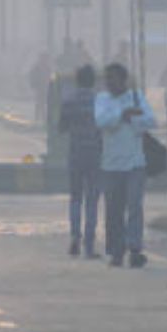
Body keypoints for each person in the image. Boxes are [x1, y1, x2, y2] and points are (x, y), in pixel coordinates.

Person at [95, 63, 157, 268]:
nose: (108, 83)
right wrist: (123, 115)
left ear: (123, 80)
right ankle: (116, 251)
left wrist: (133, 118)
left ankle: (135, 249)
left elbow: (151, 121)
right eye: (107, 79)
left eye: (112, 78)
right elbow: (102, 121)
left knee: (135, 208)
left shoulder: (137, 97)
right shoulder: (102, 99)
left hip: (135, 163)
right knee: (113, 211)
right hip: (111, 164)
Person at [58, 65, 102, 258]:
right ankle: (89, 243)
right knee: (92, 199)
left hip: (75, 153)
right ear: (93, 81)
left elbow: (61, 127)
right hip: (95, 154)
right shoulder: (100, 101)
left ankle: (75, 237)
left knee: (76, 198)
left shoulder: (70, 101)